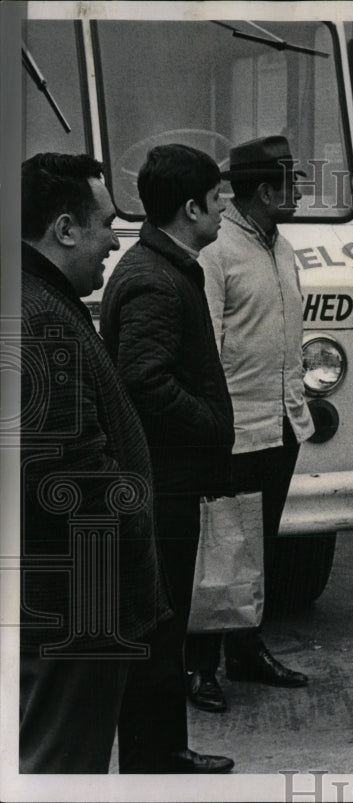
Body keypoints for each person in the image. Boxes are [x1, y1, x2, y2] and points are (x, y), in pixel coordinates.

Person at [18, 153, 170, 773]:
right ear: (64, 229)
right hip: (79, 604)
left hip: (61, 595)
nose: (115, 239)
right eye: (106, 223)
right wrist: (134, 534)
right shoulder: (43, 319)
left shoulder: (34, 301)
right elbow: (72, 477)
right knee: (60, 761)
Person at [100, 144, 235, 773]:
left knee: (166, 623)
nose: (224, 208)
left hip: (169, 478)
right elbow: (143, 378)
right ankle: (158, 761)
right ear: (190, 208)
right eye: (217, 199)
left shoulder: (167, 264)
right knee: (160, 626)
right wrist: (208, 423)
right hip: (163, 481)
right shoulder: (155, 276)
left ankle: (165, 752)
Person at [185, 135, 314, 712]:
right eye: (292, 182)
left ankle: (246, 650)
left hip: (283, 422)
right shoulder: (217, 251)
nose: (300, 191)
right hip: (235, 428)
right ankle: (199, 667)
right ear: (266, 190)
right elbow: (205, 346)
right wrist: (214, 424)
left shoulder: (280, 245)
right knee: (219, 549)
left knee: (259, 546)